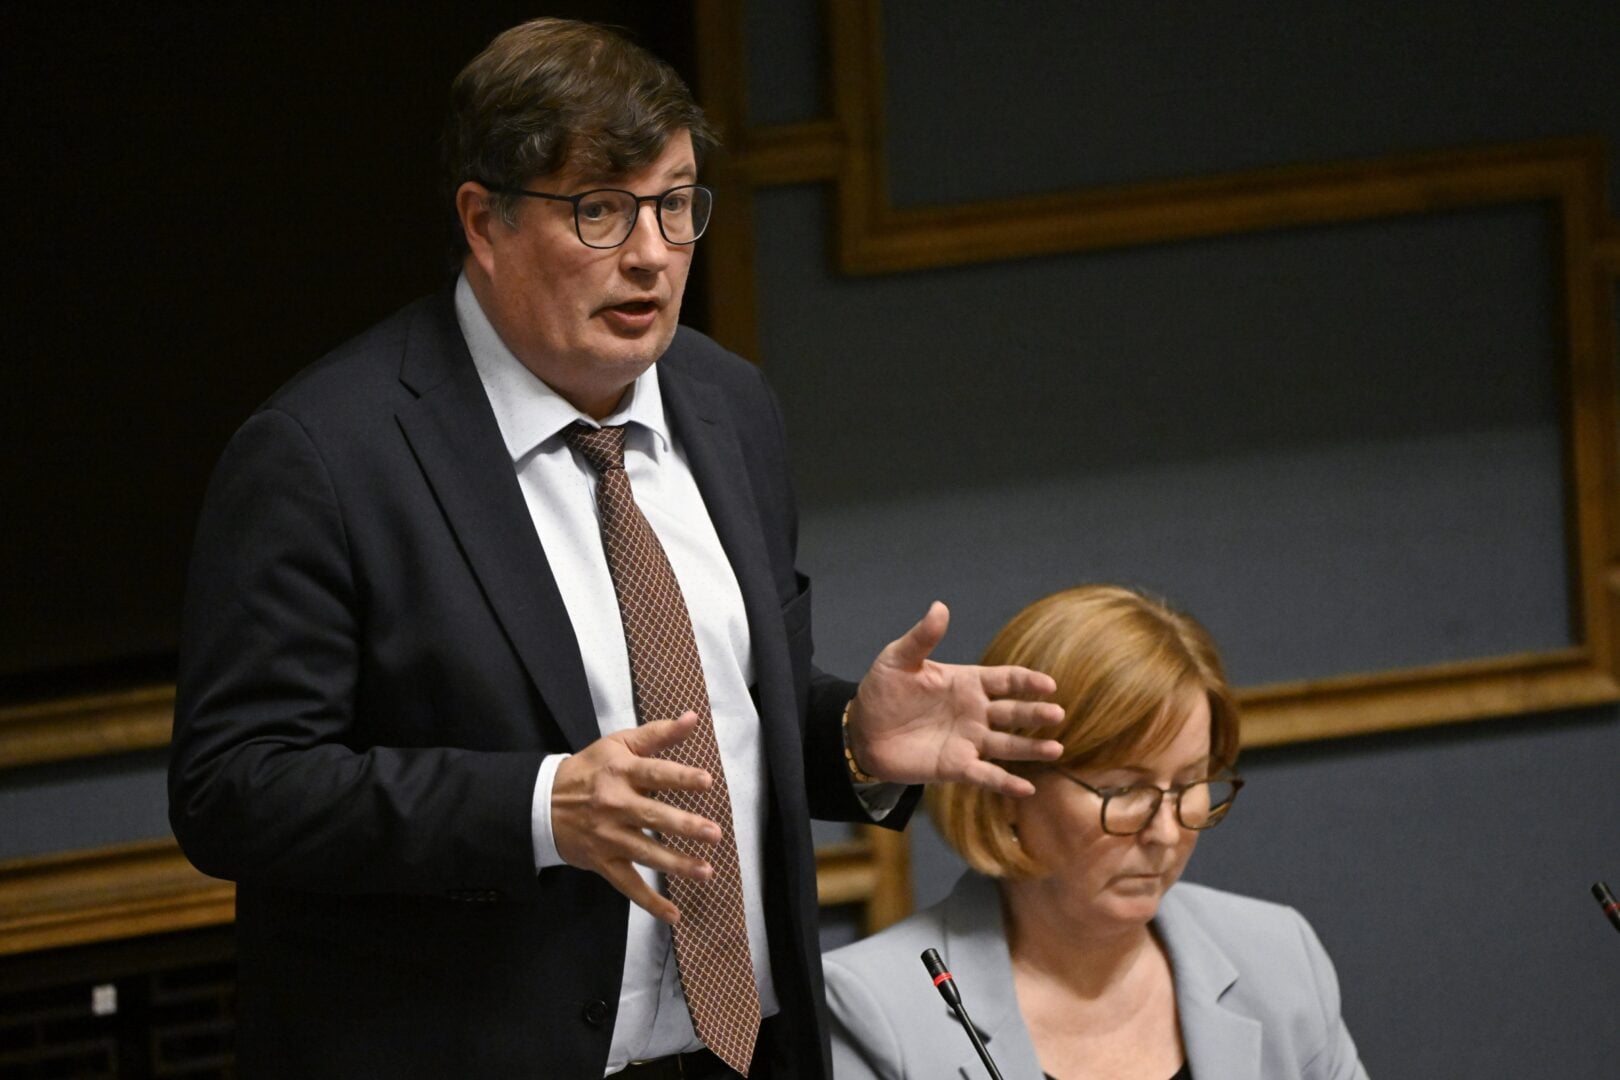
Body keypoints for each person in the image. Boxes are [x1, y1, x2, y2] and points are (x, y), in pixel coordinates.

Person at [166, 17, 1065, 1080]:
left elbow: (723, 710)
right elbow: (236, 787)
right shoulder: (325, 455)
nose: (650, 254)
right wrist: (540, 808)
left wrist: (852, 740)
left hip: (746, 1056)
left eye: (675, 204)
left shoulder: (729, 403)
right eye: (599, 210)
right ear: (484, 221)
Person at [824, 585, 1368, 1080]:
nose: (1165, 832)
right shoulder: (875, 1011)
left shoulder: (1278, 956)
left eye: (1190, 783)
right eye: (1121, 790)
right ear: (1005, 787)